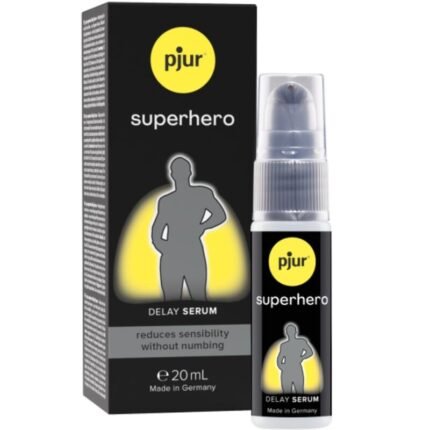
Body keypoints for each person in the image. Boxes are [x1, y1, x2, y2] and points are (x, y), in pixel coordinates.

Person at [151, 156, 226, 301]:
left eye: (182, 171)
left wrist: (202, 226)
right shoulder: (166, 201)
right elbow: (157, 229)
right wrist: (164, 248)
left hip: (192, 251)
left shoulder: (202, 193)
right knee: (170, 300)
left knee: (199, 297)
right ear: (172, 174)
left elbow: (220, 215)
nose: (180, 175)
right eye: (177, 171)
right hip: (172, 254)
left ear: (190, 172)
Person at [277, 323, 314, 394]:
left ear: (295, 332)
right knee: (286, 393)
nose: (290, 333)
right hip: (286, 370)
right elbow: (280, 357)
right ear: (286, 333)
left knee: (300, 391)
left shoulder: (301, 342)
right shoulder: (284, 345)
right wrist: (281, 366)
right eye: (289, 331)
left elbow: (310, 352)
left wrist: (302, 357)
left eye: (292, 331)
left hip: (297, 369)